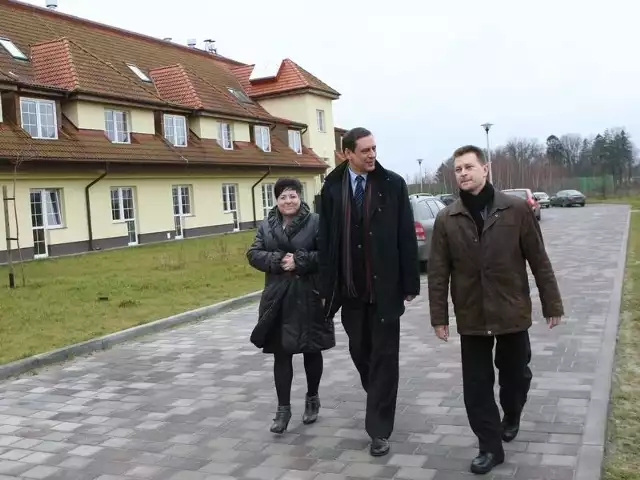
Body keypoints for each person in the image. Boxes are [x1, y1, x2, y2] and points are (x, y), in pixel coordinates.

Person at [427, 145, 564, 475]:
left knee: (516, 375)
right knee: (476, 386)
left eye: (468, 167)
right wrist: (439, 317)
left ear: (485, 169)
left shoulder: (516, 210)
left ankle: (513, 413)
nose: (463, 173)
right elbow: (437, 272)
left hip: (511, 310)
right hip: (472, 314)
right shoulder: (447, 218)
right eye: (458, 169)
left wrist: (552, 303)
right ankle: (489, 447)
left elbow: (539, 260)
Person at [318, 127, 421, 457]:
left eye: (374, 148)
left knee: (385, 358)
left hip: (386, 289)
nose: (372, 154)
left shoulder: (393, 184)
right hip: (350, 291)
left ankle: (378, 428)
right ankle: (378, 394)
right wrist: (325, 287)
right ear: (347, 153)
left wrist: (410, 282)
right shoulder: (332, 187)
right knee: (361, 352)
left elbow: (406, 234)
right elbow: (326, 240)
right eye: (365, 150)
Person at [247, 177, 335, 434]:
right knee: (281, 354)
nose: (288, 201)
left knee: (311, 349)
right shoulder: (267, 225)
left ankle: (312, 398)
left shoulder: (316, 222)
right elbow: (253, 254)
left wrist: (301, 260)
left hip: (309, 295)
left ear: (300, 197)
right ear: (276, 200)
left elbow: (328, 253)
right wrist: (277, 260)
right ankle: (282, 409)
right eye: (283, 196)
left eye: (293, 195)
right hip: (278, 299)